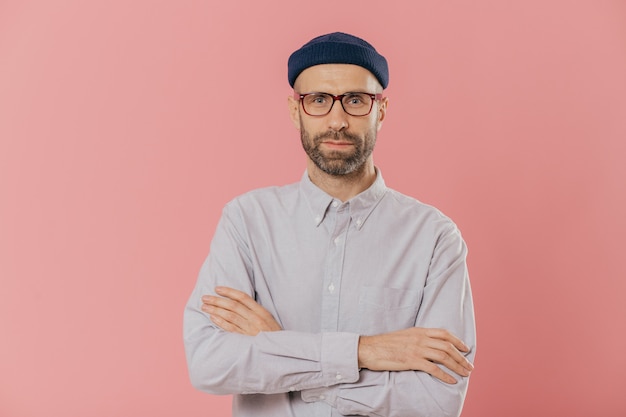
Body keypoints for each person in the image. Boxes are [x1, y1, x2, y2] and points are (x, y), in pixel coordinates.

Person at [184, 32, 476, 417]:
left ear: (381, 111)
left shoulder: (435, 238)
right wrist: (364, 351)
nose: (337, 121)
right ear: (295, 111)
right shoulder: (247, 221)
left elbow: (438, 400)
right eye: (319, 100)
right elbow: (209, 363)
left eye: (356, 101)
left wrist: (280, 348)